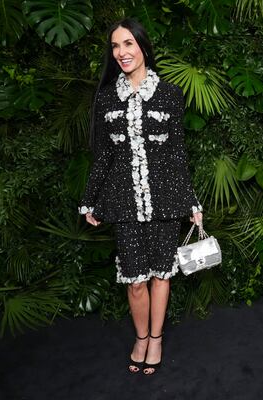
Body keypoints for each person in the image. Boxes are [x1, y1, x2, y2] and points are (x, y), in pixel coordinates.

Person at [78, 18, 203, 375]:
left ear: (143, 47)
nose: (121, 52)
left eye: (128, 44)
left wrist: (192, 203)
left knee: (161, 276)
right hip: (123, 201)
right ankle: (141, 337)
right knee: (135, 280)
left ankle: (157, 339)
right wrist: (91, 200)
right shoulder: (105, 98)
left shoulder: (170, 94)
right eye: (116, 46)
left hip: (165, 199)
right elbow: (102, 154)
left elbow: (177, 154)